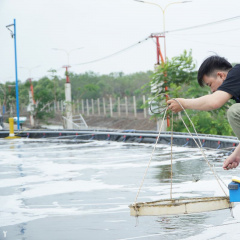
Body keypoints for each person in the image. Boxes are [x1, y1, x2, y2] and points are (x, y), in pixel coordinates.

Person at [167, 56, 240, 170]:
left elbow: (214, 102)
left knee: (234, 111)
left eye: (210, 84)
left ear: (221, 75)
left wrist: (183, 103)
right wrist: (236, 155)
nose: (212, 91)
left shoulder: (237, 72)